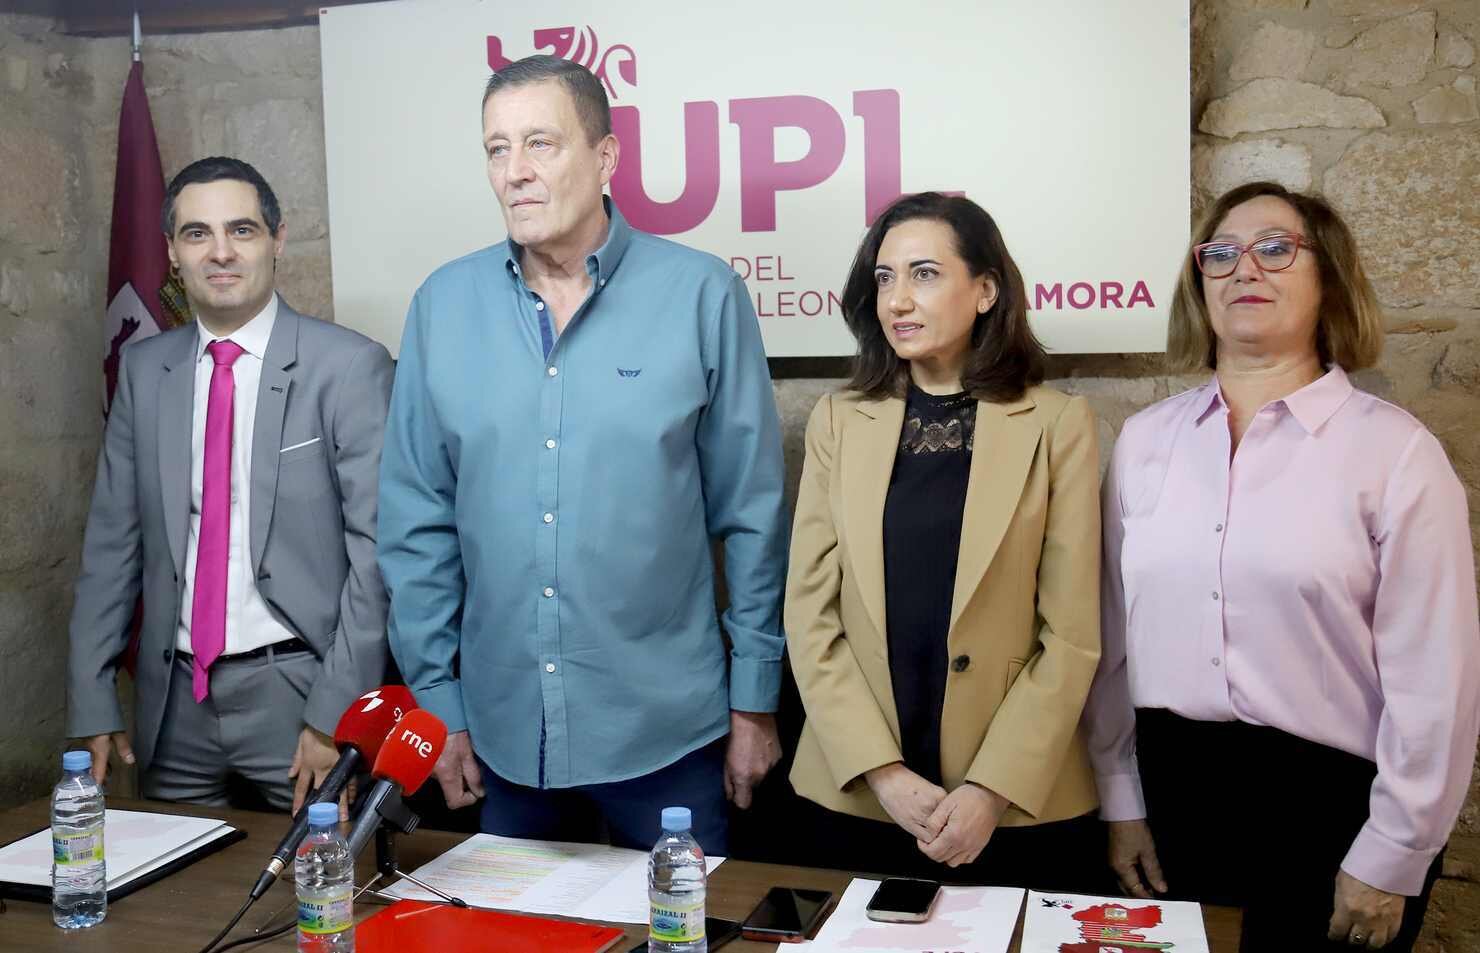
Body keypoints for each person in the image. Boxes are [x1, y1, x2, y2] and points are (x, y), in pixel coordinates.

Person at [377, 55, 787, 854]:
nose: (515, 172)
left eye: (540, 143)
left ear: (605, 158)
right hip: (503, 736)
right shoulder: (441, 307)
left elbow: (753, 516)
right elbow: (416, 521)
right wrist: (438, 703)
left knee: (684, 922)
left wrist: (755, 699)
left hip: (669, 734)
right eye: (497, 149)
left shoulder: (702, 295)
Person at [1086, 181, 1480, 951]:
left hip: (1332, 816)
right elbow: (1109, 638)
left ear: (1327, 276)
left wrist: (1395, 850)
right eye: (1221, 254)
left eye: (1275, 249)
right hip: (1170, 801)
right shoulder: (1144, 442)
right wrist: (1120, 796)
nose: (1245, 268)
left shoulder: (1394, 452)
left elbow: (1436, 678)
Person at [785, 192, 1104, 889]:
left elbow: (1072, 635)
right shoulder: (838, 420)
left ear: (986, 290)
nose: (898, 299)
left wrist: (990, 789)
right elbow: (810, 618)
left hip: (1013, 805)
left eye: (924, 274)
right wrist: (882, 772)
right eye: (885, 278)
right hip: (857, 794)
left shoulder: (1057, 424)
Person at [67, 156, 394, 815]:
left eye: (241, 230)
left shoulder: (349, 366)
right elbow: (111, 544)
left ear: (277, 239)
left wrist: (335, 709)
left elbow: (377, 555)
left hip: (301, 695)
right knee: (173, 878)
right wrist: (92, 695)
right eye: (197, 234)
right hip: (174, 702)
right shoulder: (144, 370)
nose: (220, 252)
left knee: (316, 873)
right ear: (172, 251)